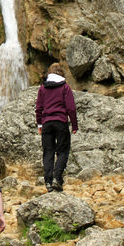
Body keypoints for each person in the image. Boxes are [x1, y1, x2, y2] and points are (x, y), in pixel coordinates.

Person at [35, 62, 78, 192]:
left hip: (47, 123)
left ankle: (48, 182)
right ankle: (57, 179)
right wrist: (74, 125)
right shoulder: (65, 87)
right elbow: (71, 108)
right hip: (61, 122)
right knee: (63, 151)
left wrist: (39, 124)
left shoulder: (43, 88)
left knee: (48, 152)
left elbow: (38, 108)